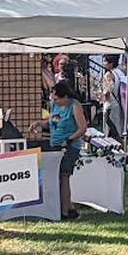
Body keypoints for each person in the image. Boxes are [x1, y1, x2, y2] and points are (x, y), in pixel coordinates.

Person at [35, 81, 87, 220]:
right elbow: (54, 120)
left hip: (70, 146)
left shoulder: (74, 106)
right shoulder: (54, 106)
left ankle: (64, 211)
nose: (55, 101)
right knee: (55, 177)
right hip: (55, 144)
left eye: (57, 99)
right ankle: (69, 207)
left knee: (64, 176)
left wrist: (69, 140)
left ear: (65, 97)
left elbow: (82, 128)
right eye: (53, 99)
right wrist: (40, 123)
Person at [100, 54, 128, 140]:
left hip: (110, 104)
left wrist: (101, 99)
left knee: (110, 130)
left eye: (105, 61)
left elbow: (106, 92)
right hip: (119, 103)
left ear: (111, 63)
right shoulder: (120, 72)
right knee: (119, 129)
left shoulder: (108, 74)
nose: (103, 63)